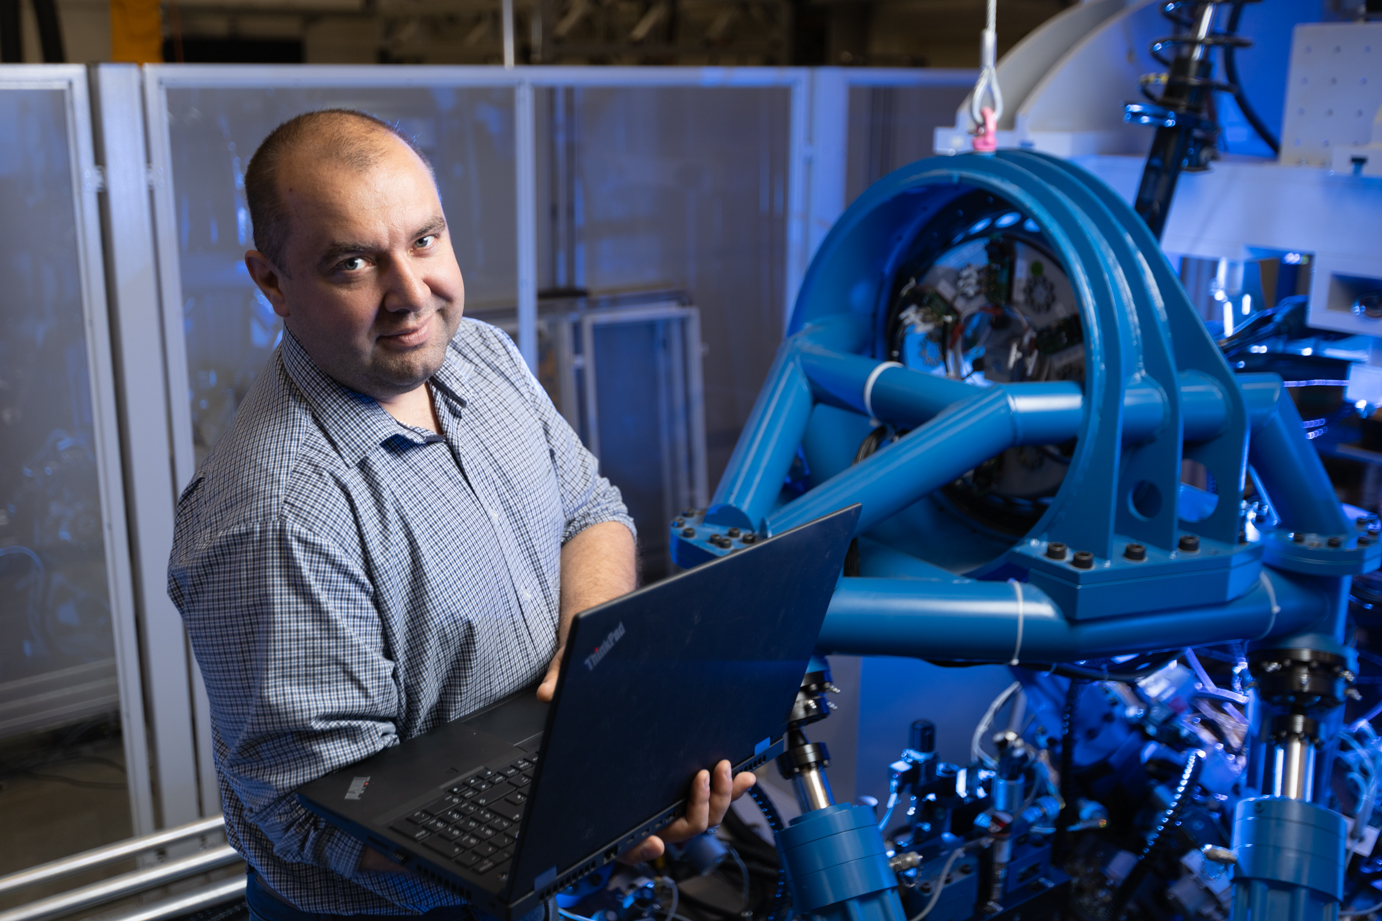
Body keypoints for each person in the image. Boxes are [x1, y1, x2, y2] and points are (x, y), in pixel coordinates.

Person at [167, 109, 756, 921]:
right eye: (353, 263)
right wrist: (585, 829)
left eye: (424, 240)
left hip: (537, 847)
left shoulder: (481, 355)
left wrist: (594, 675)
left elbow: (592, 510)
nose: (412, 294)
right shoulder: (276, 515)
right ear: (272, 281)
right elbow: (318, 811)